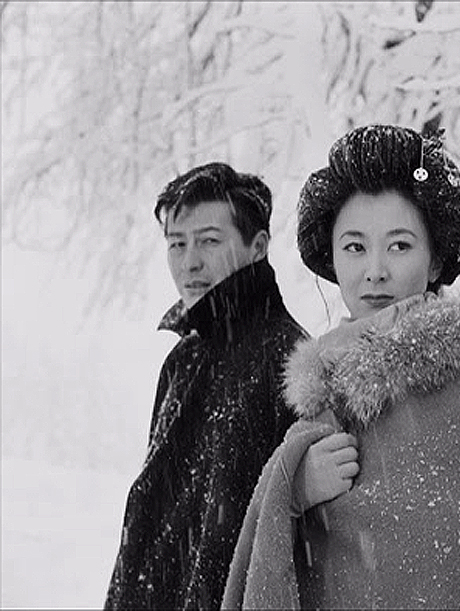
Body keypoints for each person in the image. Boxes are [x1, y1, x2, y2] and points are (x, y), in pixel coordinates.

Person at [222, 125, 460, 609]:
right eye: (355, 247)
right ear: (332, 258)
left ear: (435, 259)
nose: (375, 270)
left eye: (399, 246)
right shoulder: (325, 388)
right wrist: (293, 487)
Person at [104, 162, 308, 610]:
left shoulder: (289, 362)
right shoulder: (183, 361)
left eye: (209, 241)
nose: (189, 262)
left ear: (257, 248)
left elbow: (288, 537)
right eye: (177, 244)